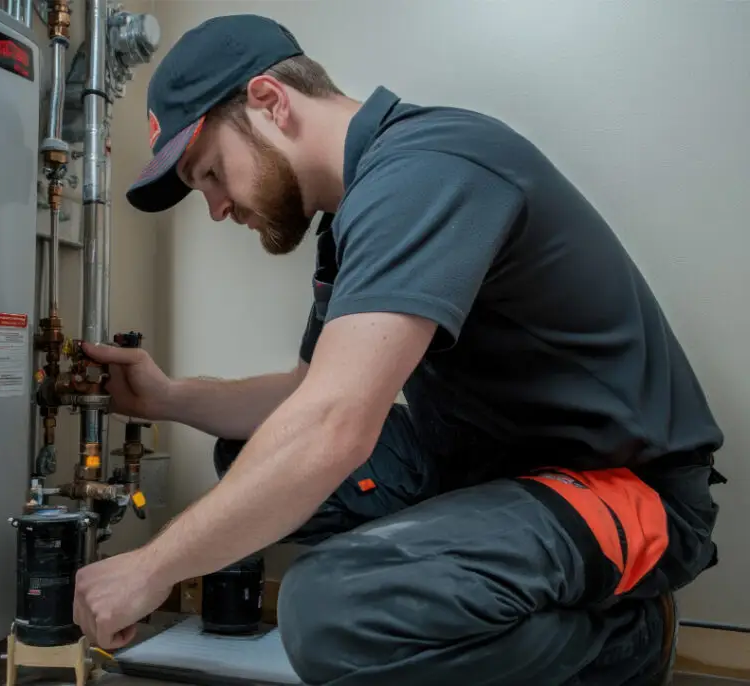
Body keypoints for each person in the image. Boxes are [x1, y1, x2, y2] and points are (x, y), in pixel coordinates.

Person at [71, 13, 726, 686]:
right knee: (252, 452)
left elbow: (332, 424)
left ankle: (625, 641)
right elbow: (307, 393)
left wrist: (152, 568)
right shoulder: (354, 213)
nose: (215, 207)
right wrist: (169, 399)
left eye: (209, 173)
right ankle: (447, 604)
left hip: (621, 489)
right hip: (492, 465)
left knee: (332, 609)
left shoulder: (425, 170)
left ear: (270, 101)